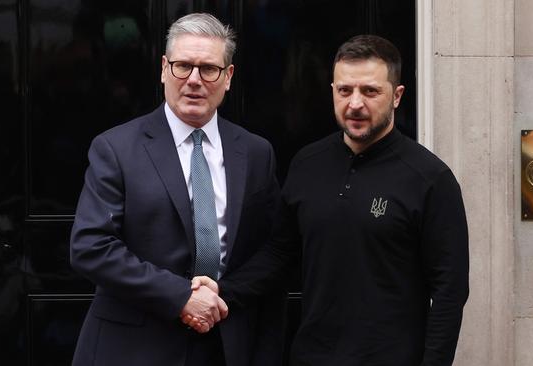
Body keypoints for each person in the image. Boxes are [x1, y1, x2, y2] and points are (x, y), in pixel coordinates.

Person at [190, 34, 469, 365]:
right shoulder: (308, 164)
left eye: (370, 91)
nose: (354, 104)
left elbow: (450, 291)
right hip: (312, 355)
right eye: (344, 90)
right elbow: (281, 253)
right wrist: (224, 291)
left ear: (397, 96)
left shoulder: (430, 179)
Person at [70, 13, 285, 366]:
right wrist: (181, 296)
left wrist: (222, 296)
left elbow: (273, 249)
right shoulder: (116, 148)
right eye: (183, 66)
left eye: (209, 69)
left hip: (226, 343)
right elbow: (90, 246)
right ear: (163, 69)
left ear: (228, 77)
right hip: (134, 347)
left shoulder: (256, 153)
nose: (194, 80)